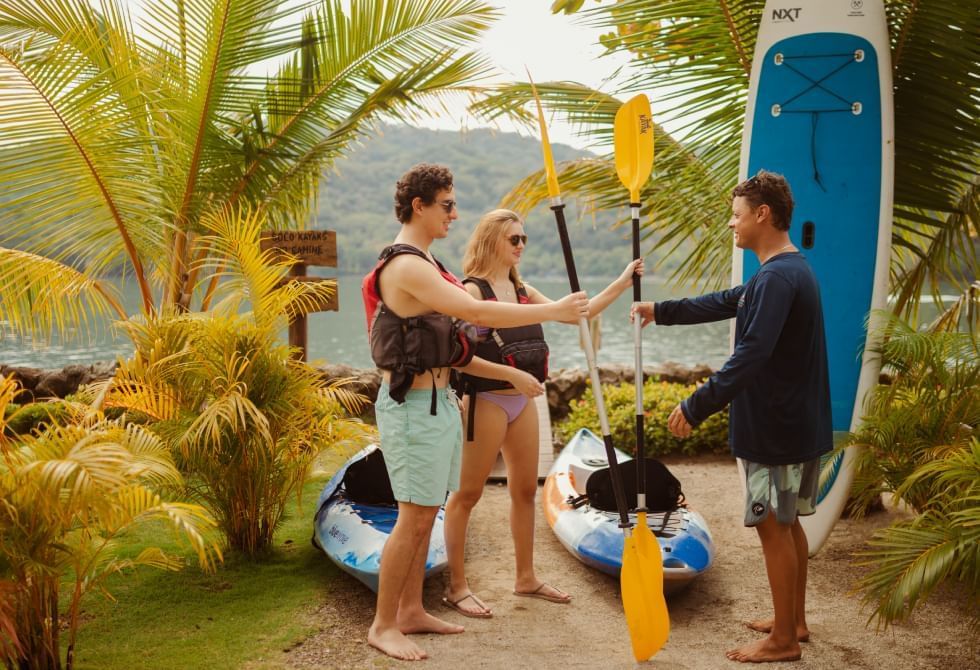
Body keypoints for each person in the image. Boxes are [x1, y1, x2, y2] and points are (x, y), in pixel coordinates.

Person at [362, 164, 590, 662]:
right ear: (419, 205)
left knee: (426, 515)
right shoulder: (407, 266)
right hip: (412, 407)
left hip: (439, 401)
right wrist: (552, 311)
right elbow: (479, 314)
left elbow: (459, 339)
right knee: (413, 516)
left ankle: (411, 610)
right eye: (447, 204)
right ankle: (383, 625)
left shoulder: (428, 260)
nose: (455, 213)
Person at [632, 171, 832, 664]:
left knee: (773, 527)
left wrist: (696, 405)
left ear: (763, 215)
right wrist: (660, 310)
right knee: (788, 523)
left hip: (776, 428)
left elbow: (752, 353)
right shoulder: (783, 272)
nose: (732, 225)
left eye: (737, 215)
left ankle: (783, 640)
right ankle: (795, 622)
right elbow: (726, 301)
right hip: (796, 423)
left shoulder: (778, 277)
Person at [442, 208, 644, 618]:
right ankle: (457, 586)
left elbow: (578, 314)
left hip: (523, 403)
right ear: (490, 240)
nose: (520, 246)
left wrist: (624, 280)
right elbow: (457, 359)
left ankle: (525, 577)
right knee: (467, 495)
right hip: (488, 401)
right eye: (513, 238)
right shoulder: (473, 292)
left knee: (524, 491)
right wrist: (510, 378)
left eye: (524, 239)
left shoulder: (522, 290)